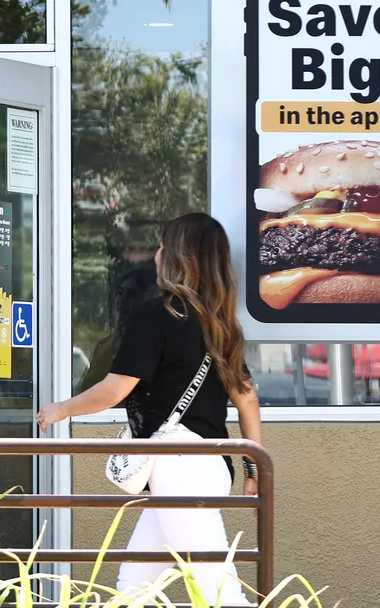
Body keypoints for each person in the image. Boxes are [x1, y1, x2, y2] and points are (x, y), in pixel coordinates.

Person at [36, 213, 262, 607]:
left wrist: (60, 409)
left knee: (221, 594)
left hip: (179, 466)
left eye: (162, 246)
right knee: (134, 584)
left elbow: (114, 389)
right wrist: (253, 468)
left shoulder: (159, 313)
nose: (156, 254)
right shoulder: (219, 322)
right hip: (205, 464)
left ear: (177, 256)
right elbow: (247, 398)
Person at [78, 265, 159, 392]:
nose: (122, 300)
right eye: (120, 293)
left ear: (151, 300)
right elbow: (87, 389)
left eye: (133, 295)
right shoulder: (105, 346)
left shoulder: (157, 344)